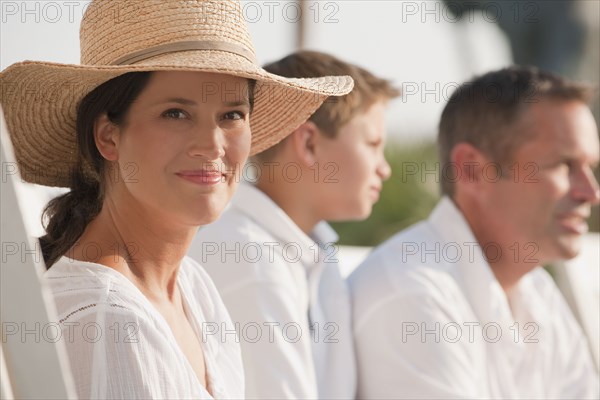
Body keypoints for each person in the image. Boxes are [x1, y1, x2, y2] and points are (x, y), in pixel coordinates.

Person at [0, 1, 353, 398]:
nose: (211, 144)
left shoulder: (193, 288)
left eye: (232, 114)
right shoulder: (106, 319)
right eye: (175, 114)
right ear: (108, 136)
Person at [350, 66, 600, 399]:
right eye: (563, 165)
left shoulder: (538, 294)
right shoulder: (411, 295)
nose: (591, 192)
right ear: (471, 170)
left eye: (591, 168)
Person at [188, 50, 399, 399]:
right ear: (309, 143)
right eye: (372, 144)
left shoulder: (312, 256)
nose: (384, 168)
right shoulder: (249, 259)